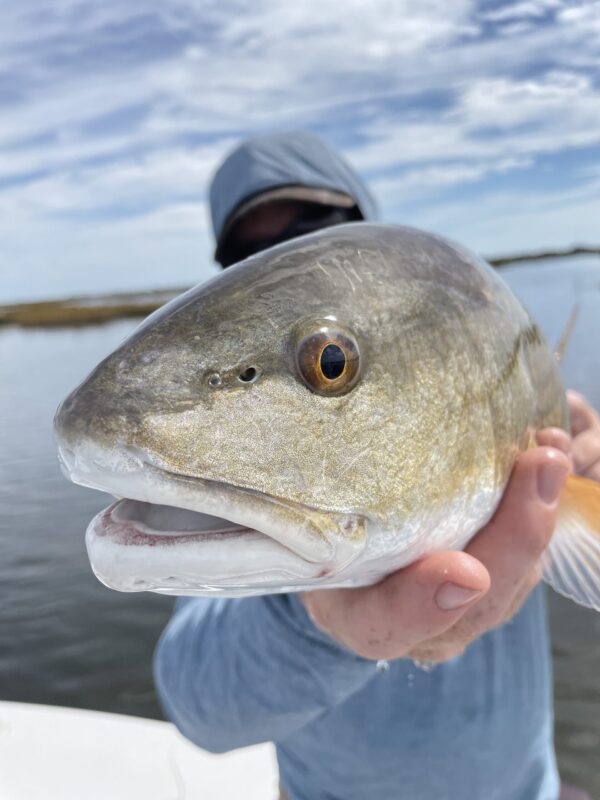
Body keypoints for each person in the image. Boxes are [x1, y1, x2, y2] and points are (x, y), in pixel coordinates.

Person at [155, 131, 599, 800]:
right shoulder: (229, 481)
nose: (282, 258)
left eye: (318, 230)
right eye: (246, 255)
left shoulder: (473, 338)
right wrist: (318, 621)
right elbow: (200, 705)